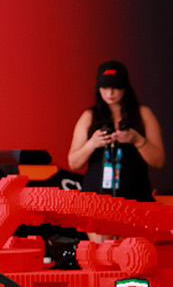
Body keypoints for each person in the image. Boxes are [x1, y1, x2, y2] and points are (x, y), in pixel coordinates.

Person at [68, 61, 165, 200]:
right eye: (105, 87)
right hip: (96, 198)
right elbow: (73, 163)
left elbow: (158, 161)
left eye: (115, 87)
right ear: (98, 88)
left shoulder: (143, 114)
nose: (110, 93)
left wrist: (137, 140)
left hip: (135, 196)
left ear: (125, 87)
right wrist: (92, 144)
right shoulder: (89, 116)